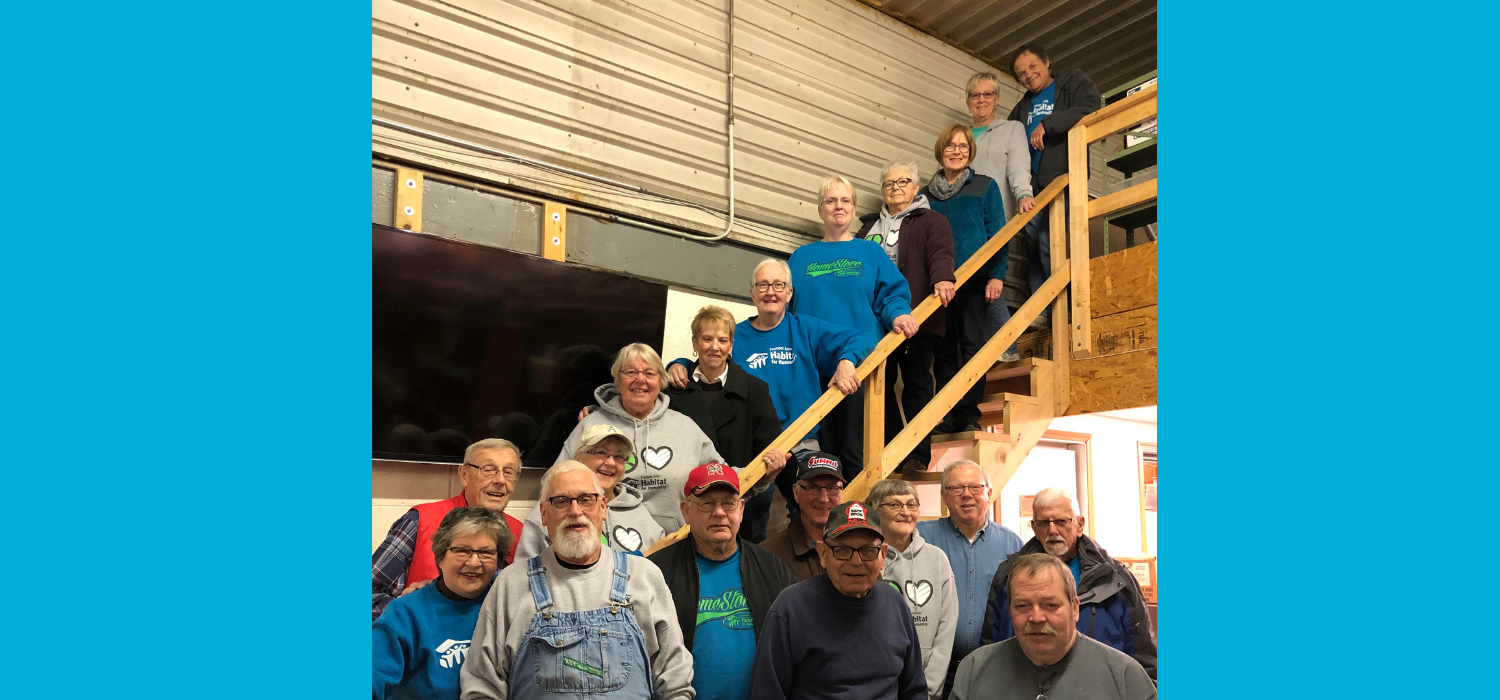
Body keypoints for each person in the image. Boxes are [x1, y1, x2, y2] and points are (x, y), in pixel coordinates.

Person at [460, 461, 693, 700]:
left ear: (603, 507)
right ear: (543, 513)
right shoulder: (512, 584)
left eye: (586, 499)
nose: (575, 511)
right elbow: (482, 687)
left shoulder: (644, 576)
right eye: (561, 501)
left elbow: (674, 684)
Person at [668, 259, 877, 520]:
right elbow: (711, 359)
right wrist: (680, 363)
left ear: (789, 293)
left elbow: (864, 338)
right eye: (763, 285)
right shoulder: (736, 336)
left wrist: (846, 361)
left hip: (801, 442)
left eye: (778, 285)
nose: (770, 292)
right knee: (748, 518)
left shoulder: (806, 329)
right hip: (756, 449)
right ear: (752, 293)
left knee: (814, 511)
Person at [787, 175, 919, 481]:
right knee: (817, 456)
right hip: (810, 366)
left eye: (845, 200)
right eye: (831, 200)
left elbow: (891, 295)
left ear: (854, 208)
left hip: (858, 365)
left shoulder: (870, 252)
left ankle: (856, 507)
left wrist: (898, 314)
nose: (839, 206)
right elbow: (786, 310)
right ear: (820, 210)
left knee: (853, 451)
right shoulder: (800, 257)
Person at [649, 462, 800, 700]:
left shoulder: (771, 566)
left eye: (728, 503)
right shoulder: (657, 572)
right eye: (707, 503)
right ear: (685, 511)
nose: (719, 512)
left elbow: (797, 641)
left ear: (741, 509)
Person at [749, 501, 927, 700]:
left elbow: (914, 690)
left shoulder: (896, 605)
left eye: (868, 550)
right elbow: (767, 693)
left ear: (882, 556)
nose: (856, 561)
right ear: (823, 554)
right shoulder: (790, 609)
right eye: (842, 550)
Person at [981, 488, 1156, 679]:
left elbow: (1144, 656)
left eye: (1061, 521)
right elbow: (991, 645)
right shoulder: (1008, 575)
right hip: (1021, 684)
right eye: (1043, 523)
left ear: (1079, 524)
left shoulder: (1116, 580)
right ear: (1034, 528)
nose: (1052, 530)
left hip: (1099, 686)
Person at [556, 342, 726, 532]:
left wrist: (755, 474)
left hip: (673, 542)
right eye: (630, 372)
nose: (640, 379)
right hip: (608, 543)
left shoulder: (686, 427)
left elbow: (721, 476)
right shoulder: (590, 425)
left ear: (660, 381)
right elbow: (556, 483)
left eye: (649, 373)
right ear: (617, 379)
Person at [855, 161, 956, 471]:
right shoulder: (867, 227)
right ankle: (894, 451)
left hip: (916, 315)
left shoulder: (932, 220)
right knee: (879, 388)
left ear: (915, 187)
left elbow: (940, 253)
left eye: (902, 182)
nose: (895, 188)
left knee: (917, 385)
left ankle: (918, 455)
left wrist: (943, 277)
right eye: (889, 183)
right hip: (875, 322)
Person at [664, 305, 791, 543]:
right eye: (707, 339)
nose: (715, 346)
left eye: (722, 340)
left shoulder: (755, 389)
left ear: (731, 345)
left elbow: (769, 446)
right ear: (694, 343)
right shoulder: (672, 392)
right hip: (688, 507)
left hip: (743, 503)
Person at [951, 554, 1155, 700]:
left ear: (1075, 608)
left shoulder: (1125, 677)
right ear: (1009, 610)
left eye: (1050, 605)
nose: (1036, 617)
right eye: (1022, 606)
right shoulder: (975, 670)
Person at [922, 124, 1016, 436]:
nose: (957, 151)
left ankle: (969, 414)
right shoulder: (924, 195)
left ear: (970, 151)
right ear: (941, 150)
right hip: (938, 287)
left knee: (974, 349)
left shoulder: (985, 186)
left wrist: (996, 275)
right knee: (944, 354)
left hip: (975, 282)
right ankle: (948, 415)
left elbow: (998, 234)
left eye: (963, 146)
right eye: (951, 145)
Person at [373, 438, 526, 620]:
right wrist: (408, 611)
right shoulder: (420, 520)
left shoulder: (522, 534)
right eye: (488, 470)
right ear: (464, 475)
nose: (500, 480)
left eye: (509, 472)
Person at [375, 507, 514, 700]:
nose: (474, 562)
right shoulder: (405, 615)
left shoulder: (509, 601)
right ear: (440, 557)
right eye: (462, 550)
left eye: (486, 552)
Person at [1005, 42, 1100, 325]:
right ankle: (1043, 310)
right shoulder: (1021, 108)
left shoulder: (1071, 82)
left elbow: (1091, 107)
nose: (1028, 75)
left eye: (1033, 66)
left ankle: (1067, 309)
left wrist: (1049, 124)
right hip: (1032, 188)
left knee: (1052, 241)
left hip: (1063, 180)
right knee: (1034, 247)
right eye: (1021, 74)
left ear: (1046, 62)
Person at [914, 460, 1023, 694]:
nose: (966, 495)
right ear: (944, 496)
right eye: (956, 488)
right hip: (937, 672)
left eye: (975, 487)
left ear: (989, 493)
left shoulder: (1012, 544)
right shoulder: (921, 538)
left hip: (996, 669)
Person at [515, 424, 664, 559]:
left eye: (619, 456)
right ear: (578, 458)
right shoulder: (551, 509)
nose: (611, 462)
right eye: (601, 452)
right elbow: (527, 572)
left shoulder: (639, 512)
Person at [868, 479, 957, 700]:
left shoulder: (937, 559)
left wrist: (928, 690)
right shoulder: (866, 558)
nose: (906, 512)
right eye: (895, 505)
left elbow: (946, 628)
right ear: (875, 510)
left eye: (911, 504)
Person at [759, 452, 845, 581]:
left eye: (831, 487)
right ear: (796, 492)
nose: (823, 498)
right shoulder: (769, 554)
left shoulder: (860, 546)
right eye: (813, 487)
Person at [964, 72, 1035, 223]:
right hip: (962, 217)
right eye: (975, 95)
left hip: (995, 217)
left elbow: (1019, 167)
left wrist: (1024, 194)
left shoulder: (1012, 129)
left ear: (997, 100)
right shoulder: (958, 137)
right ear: (968, 102)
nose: (981, 99)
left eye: (988, 94)